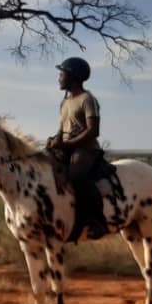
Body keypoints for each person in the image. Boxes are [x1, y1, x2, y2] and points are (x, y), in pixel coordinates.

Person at [46, 56, 107, 241]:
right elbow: (63, 128)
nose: (59, 77)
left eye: (62, 74)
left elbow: (93, 131)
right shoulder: (64, 102)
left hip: (85, 150)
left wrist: (67, 144)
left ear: (72, 77)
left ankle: (97, 220)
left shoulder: (87, 99)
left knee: (76, 177)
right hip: (67, 147)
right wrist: (54, 139)